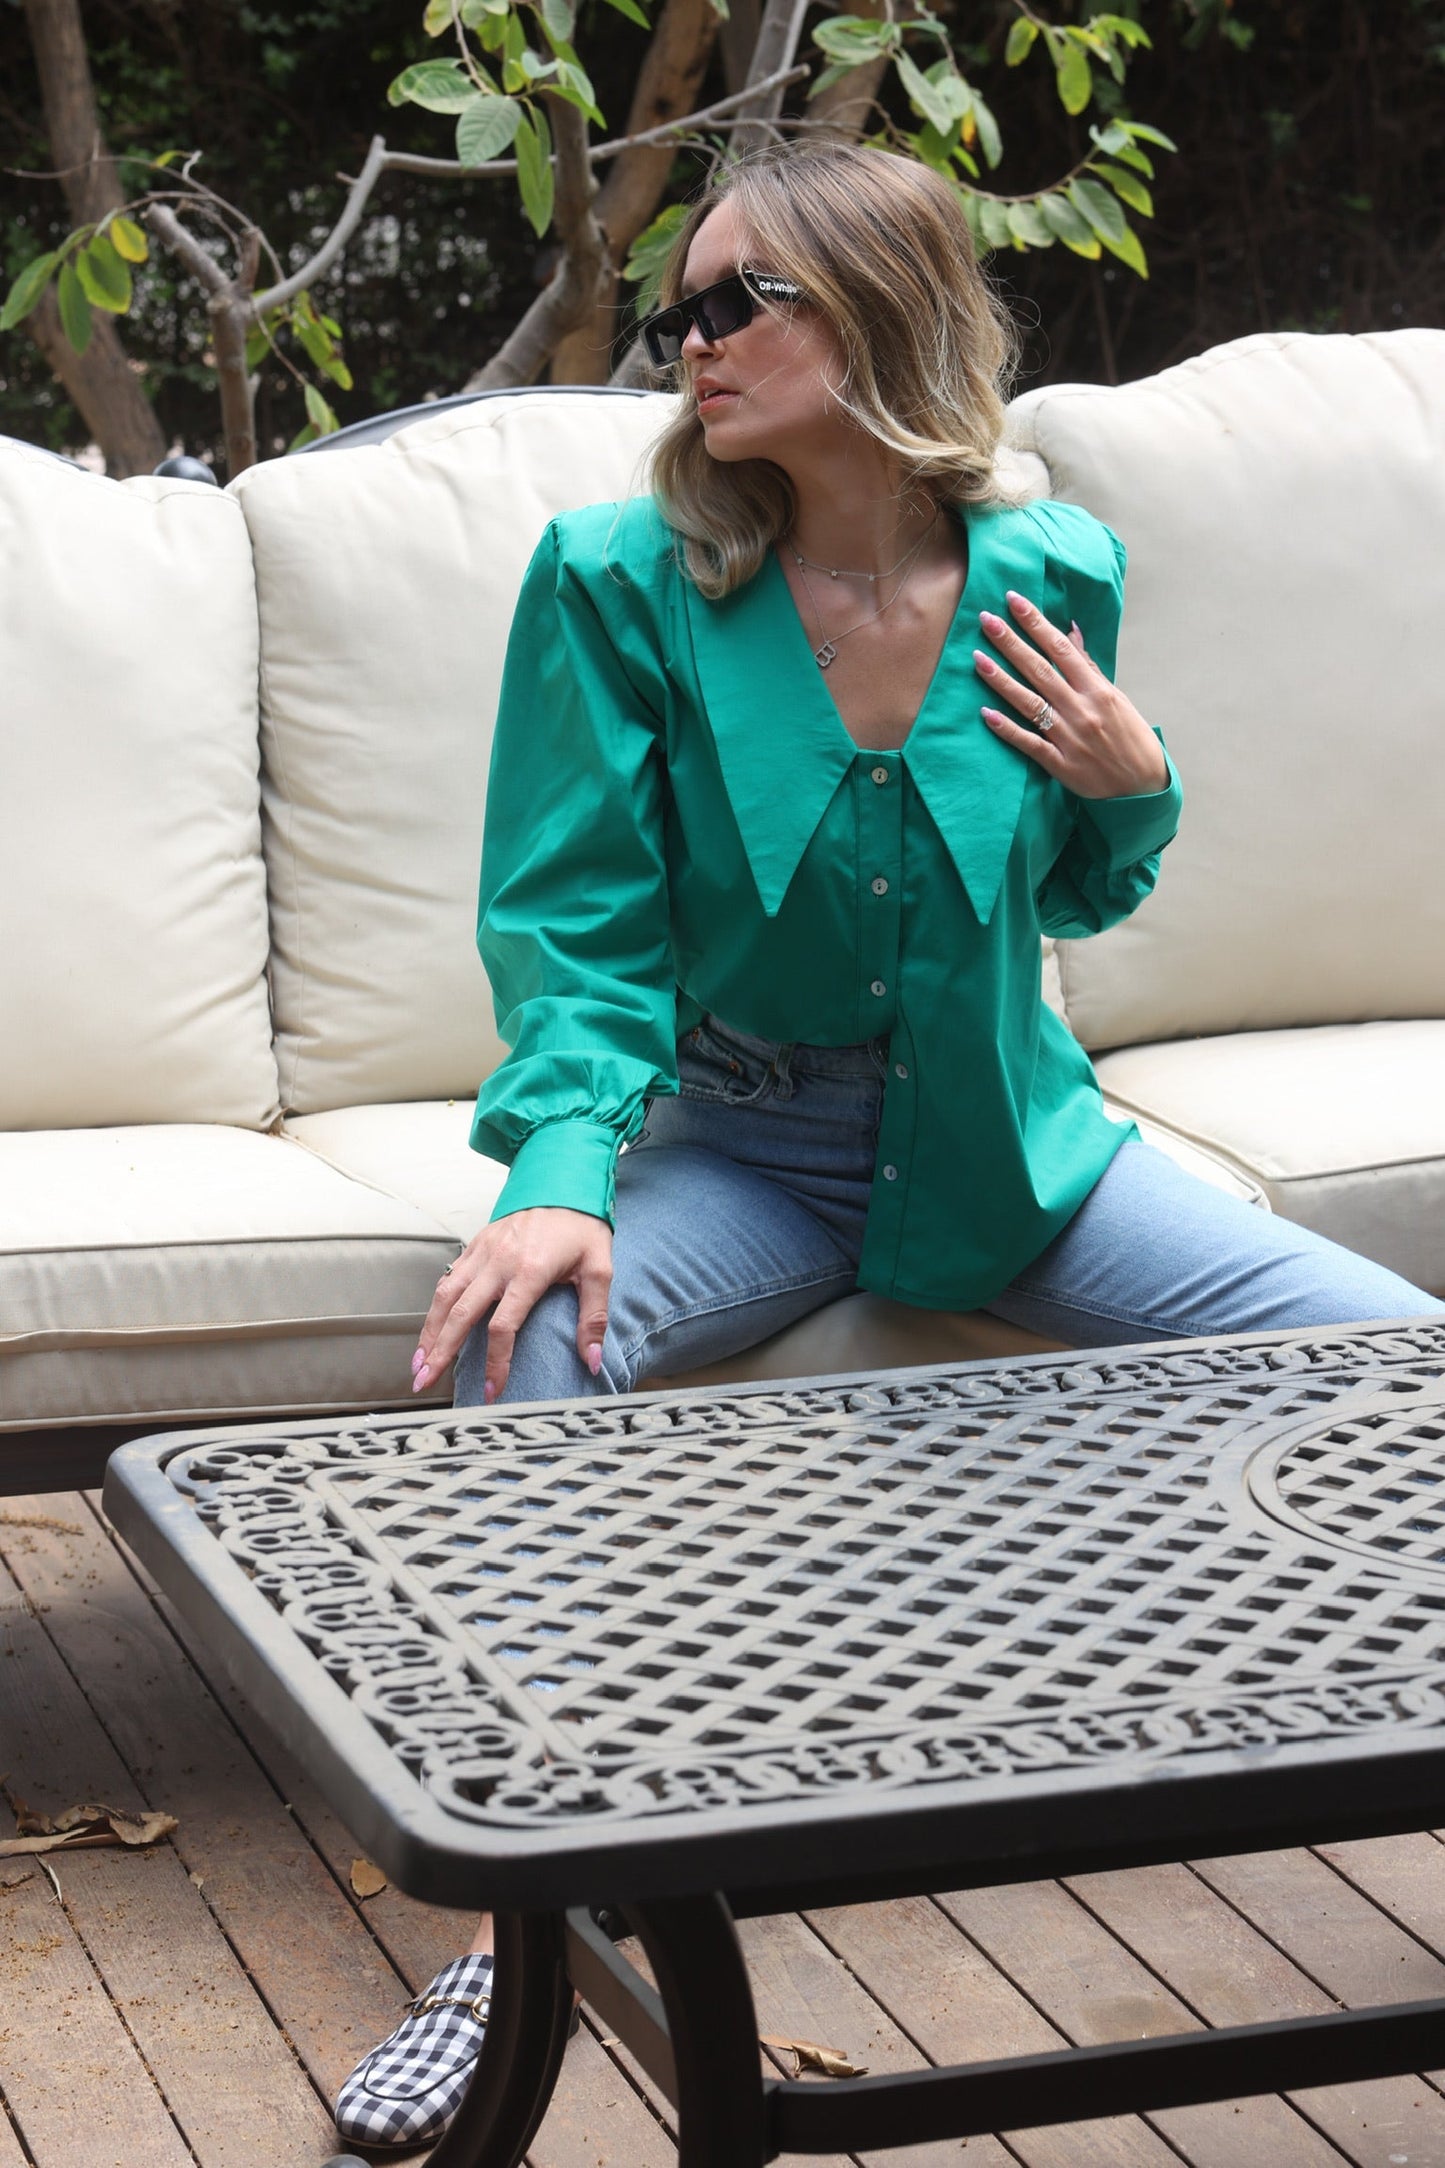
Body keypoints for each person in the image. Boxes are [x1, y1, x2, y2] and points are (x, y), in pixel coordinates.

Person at [332, 139, 1441, 2150]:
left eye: (734, 300)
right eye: (677, 306)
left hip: (1016, 1147)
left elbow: (1071, 891)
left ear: (875, 311)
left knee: (1399, 1374)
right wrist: (563, 1169)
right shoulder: (619, 580)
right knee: (519, 1357)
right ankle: (521, 1941)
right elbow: (574, 920)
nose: (686, 341)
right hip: (740, 1147)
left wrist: (1136, 782)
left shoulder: (1055, 566)